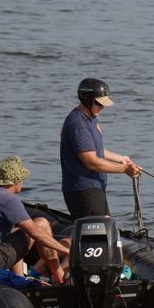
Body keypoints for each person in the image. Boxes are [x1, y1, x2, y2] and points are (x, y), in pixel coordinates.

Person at [0, 155, 73, 284]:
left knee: (19, 230)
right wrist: (66, 250)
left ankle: (20, 278)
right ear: (17, 180)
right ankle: (60, 279)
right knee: (42, 224)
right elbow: (36, 232)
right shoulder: (8, 199)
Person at [60, 78, 142, 220]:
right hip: (83, 189)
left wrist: (122, 159)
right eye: (99, 103)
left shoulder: (90, 119)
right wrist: (125, 169)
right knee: (96, 236)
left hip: (95, 187)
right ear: (87, 100)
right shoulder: (77, 123)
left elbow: (95, 150)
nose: (102, 107)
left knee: (105, 228)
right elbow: (91, 162)